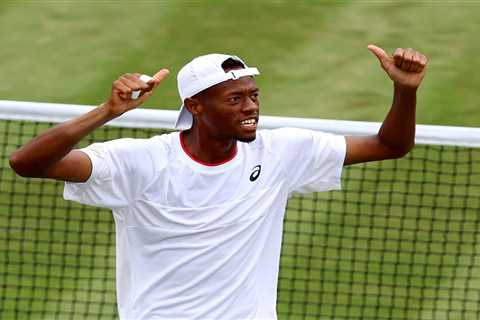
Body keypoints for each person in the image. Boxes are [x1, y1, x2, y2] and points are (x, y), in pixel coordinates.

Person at [9, 45, 427, 320]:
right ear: (196, 105)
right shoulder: (141, 162)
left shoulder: (280, 153)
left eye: (254, 95)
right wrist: (106, 110)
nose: (251, 108)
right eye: (235, 99)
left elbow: (390, 145)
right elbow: (27, 162)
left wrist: (404, 90)